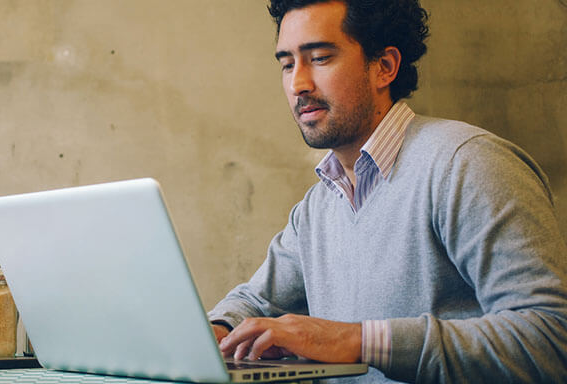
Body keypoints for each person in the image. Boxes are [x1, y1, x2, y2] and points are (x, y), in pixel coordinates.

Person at [207, 0, 567, 382]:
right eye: (287, 64)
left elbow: (549, 339)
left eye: (321, 58)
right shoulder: (318, 205)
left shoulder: (468, 163)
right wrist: (216, 330)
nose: (298, 84)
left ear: (385, 67)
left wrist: (360, 342)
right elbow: (255, 301)